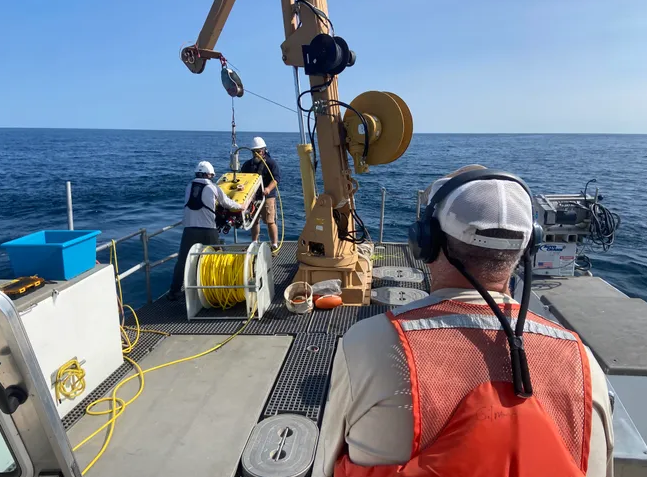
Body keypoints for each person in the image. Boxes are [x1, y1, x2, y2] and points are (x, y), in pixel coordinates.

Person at [313, 165, 614, 477]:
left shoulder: (370, 342)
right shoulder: (583, 364)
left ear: (425, 242)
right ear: (529, 247)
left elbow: (325, 461)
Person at [167, 161, 243, 301]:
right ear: (209, 175)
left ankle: (174, 291)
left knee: (182, 261)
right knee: (217, 259)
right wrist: (240, 206)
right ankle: (220, 290)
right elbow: (226, 203)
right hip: (208, 229)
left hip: (189, 229)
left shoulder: (189, 186)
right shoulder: (213, 188)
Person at [240, 137, 281, 253]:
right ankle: (254, 242)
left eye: (258, 151)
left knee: (270, 221)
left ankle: (274, 244)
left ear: (263, 151)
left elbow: (276, 179)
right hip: (253, 197)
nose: (256, 154)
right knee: (254, 220)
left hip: (267, 197)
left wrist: (268, 188)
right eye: (254, 152)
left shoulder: (271, 163)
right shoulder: (248, 164)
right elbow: (242, 177)